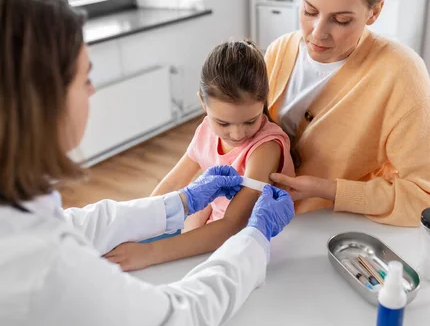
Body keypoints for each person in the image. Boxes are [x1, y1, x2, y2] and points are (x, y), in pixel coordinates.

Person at [0, 0, 295, 326]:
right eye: (84, 78)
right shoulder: (41, 268)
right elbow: (179, 321)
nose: (91, 91)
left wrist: (181, 203)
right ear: (41, 102)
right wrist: (254, 239)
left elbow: (75, 225)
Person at [266, 0, 430, 227]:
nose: (317, 33)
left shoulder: (400, 73)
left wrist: (331, 191)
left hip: (326, 229)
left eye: (341, 20)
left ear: (374, 12)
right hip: (261, 217)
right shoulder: (281, 50)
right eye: (309, 11)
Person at [105, 40, 295, 271]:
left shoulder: (265, 148)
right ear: (202, 103)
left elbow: (233, 224)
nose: (237, 133)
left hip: (249, 241)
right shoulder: (206, 130)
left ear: (264, 101)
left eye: (250, 121)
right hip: (213, 224)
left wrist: (149, 252)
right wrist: (134, 224)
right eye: (223, 122)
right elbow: (173, 182)